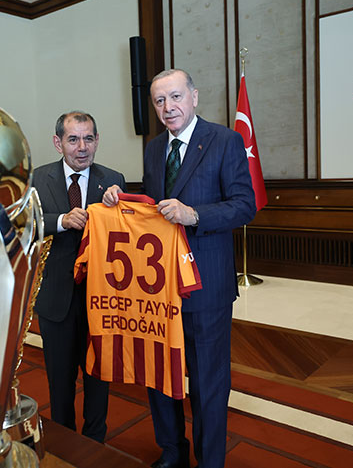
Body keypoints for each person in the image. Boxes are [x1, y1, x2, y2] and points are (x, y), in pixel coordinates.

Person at [103, 69, 256, 468]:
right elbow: (153, 204)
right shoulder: (155, 148)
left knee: (207, 383)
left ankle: (209, 461)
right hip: (157, 286)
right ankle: (172, 450)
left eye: (175, 97)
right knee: (160, 375)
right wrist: (121, 197)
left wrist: (195, 215)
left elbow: (245, 205)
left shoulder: (225, 140)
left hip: (206, 286)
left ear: (194, 97)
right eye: (159, 100)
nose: (168, 107)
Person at [33, 111, 127, 442]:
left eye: (88, 138)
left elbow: (124, 234)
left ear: (97, 141)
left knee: (98, 378)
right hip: (55, 299)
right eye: (73, 139)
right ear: (58, 142)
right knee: (59, 382)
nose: (82, 147)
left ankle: (95, 444)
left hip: (100, 299)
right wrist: (60, 221)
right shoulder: (38, 178)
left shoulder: (113, 180)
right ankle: (63, 444)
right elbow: (22, 223)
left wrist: (119, 207)